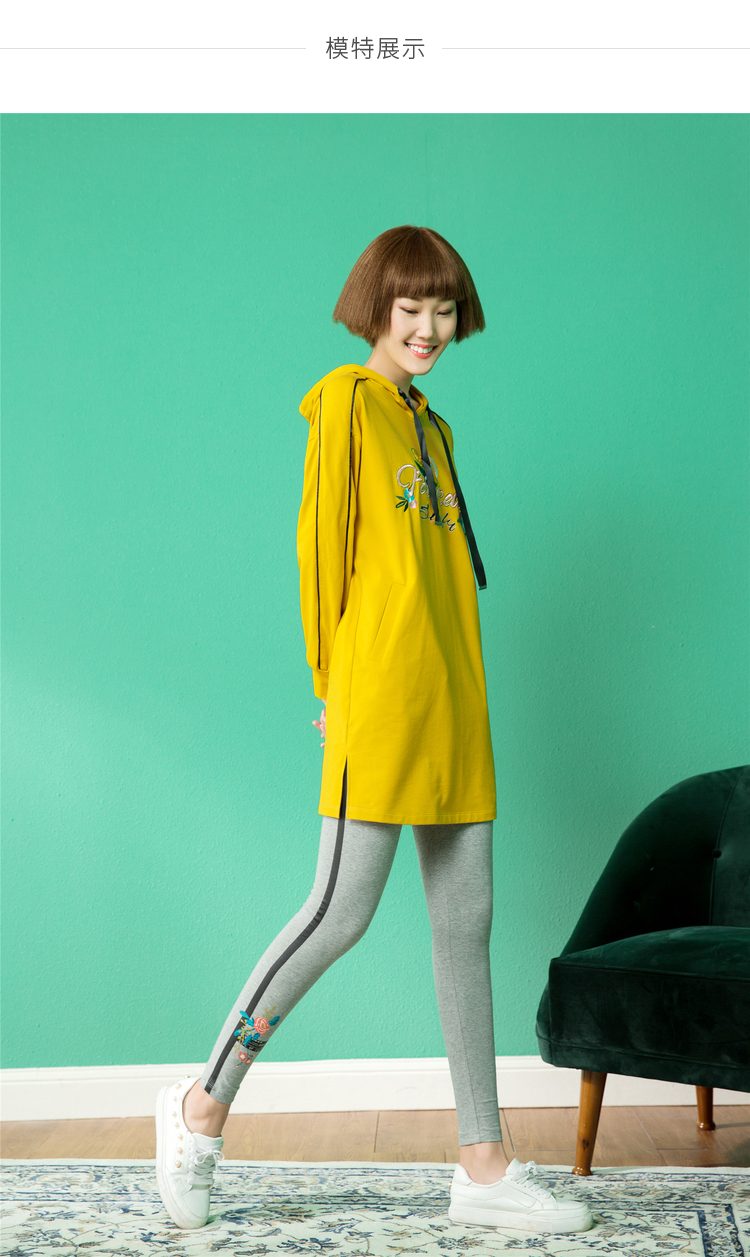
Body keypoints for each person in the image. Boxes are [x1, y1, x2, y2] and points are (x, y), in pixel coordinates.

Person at [154, 225, 594, 1236]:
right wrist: (332, 683)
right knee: (337, 912)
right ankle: (200, 1106)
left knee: (466, 921)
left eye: (443, 308)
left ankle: (483, 1164)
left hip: (456, 697)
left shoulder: (434, 429)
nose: (428, 327)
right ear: (377, 308)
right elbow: (321, 552)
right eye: (412, 307)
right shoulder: (348, 404)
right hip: (383, 694)